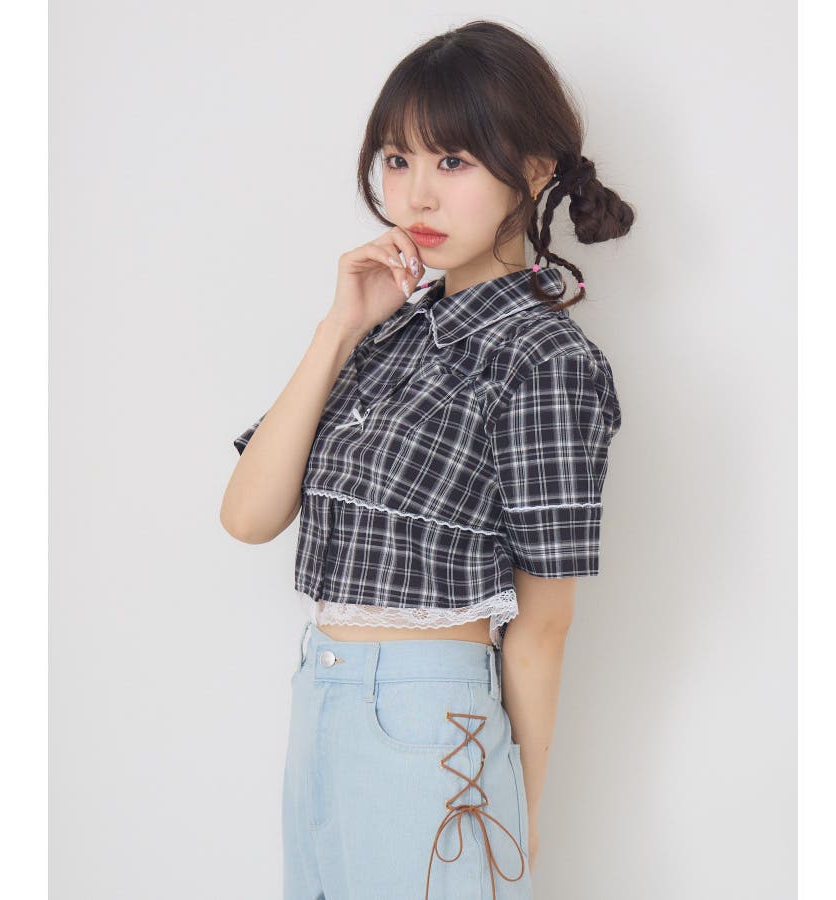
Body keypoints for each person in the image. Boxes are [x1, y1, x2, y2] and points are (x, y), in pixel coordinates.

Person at [221, 19, 633, 899]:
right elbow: (249, 516)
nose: (416, 195)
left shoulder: (544, 360)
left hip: (430, 726)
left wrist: (515, 811)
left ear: (534, 171)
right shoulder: (386, 332)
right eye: (397, 159)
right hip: (321, 702)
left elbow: (544, 624)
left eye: (452, 161)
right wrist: (339, 328)